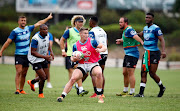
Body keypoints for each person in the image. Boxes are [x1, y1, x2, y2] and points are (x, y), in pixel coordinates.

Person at [0, 13, 53, 94]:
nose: (23, 22)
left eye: (24, 20)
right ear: (18, 22)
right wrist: (1, 51)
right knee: (19, 71)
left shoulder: (28, 28)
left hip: (28, 55)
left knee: (24, 73)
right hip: (19, 54)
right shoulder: (15, 31)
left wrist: (48, 18)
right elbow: (8, 42)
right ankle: (17, 89)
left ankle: (21, 89)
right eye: (22, 20)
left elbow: (39, 23)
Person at [57, 27, 107, 103]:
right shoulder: (75, 45)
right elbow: (72, 58)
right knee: (73, 79)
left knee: (99, 73)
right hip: (82, 65)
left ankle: (100, 95)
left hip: (93, 64)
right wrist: (75, 58)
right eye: (85, 33)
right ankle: (62, 96)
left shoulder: (93, 42)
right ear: (80, 34)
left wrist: (100, 50)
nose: (87, 35)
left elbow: (104, 47)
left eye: (87, 33)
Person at [134, 13, 166, 97]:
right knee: (143, 72)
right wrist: (132, 33)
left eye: (149, 18)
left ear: (152, 19)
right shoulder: (145, 28)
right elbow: (141, 34)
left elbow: (162, 39)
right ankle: (141, 93)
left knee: (152, 73)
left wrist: (163, 51)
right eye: (146, 17)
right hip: (146, 53)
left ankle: (162, 87)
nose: (147, 19)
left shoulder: (156, 28)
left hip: (154, 53)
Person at [59, 15, 88, 96]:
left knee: (85, 73)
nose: (81, 23)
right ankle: (80, 89)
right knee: (75, 71)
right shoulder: (70, 31)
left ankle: (76, 86)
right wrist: (63, 51)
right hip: (71, 55)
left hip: (82, 56)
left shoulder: (84, 32)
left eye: (82, 22)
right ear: (75, 23)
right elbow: (62, 40)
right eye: (79, 22)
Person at [116, 17, 144, 96]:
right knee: (124, 73)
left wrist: (142, 42)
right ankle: (125, 91)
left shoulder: (129, 29)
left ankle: (132, 92)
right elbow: (128, 38)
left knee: (130, 73)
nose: (119, 24)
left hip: (133, 54)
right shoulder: (126, 30)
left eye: (121, 22)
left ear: (125, 23)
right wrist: (121, 40)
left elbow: (135, 36)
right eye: (119, 22)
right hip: (127, 54)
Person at [27, 24, 54, 98]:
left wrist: (51, 52)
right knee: (43, 77)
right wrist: (45, 56)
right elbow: (33, 52)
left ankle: (32, 82)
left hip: (42, 58)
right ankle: (40, 93)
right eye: (44, 29)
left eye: (47, 29)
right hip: (34, 59)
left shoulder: (47, 35)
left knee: (45, 76)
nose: (46, 31)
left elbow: (48, 44)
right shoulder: (35, 39)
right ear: (40, 30)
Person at [88, 16, 108, 98]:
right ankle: (102, 92)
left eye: (89, 22)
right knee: (101, 73)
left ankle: (96, 92)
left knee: (94, 73)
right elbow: (106, 42)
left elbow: (90, 43)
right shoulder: (103, 31)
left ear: (92, 22)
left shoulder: (92, 31)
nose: (89, 23)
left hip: (97, 53)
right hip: (105, 52)